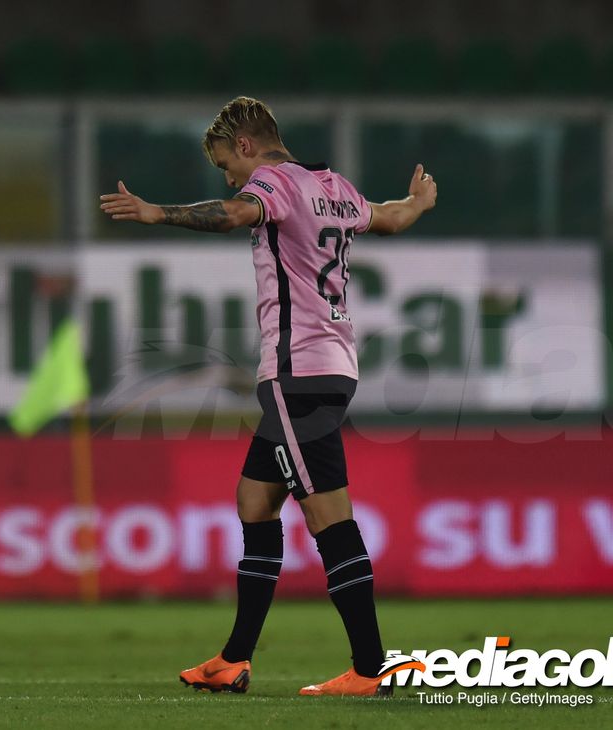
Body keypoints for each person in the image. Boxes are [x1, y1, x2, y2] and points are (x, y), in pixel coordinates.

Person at [99, 96, 437, 697]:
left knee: (327, 516)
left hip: (297, 373)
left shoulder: (273, 183)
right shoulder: (332, 186)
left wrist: (156, 213)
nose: (229, 175)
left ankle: (371, 668)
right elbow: (386, 217)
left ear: (247, 146)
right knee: (255, 502)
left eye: (227, 161)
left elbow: (233, 213)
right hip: (332, 366)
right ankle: (234, 659)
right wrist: (416, 203)